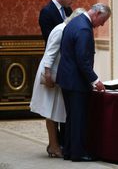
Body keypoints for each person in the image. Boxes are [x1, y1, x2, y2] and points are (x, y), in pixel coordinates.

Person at [56, 3, 111, 161]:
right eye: (103, 20)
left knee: (71, 117)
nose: (102, 24)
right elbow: (83, 61)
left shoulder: (75, 21)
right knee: (78, 118)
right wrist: (96, 80)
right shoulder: (84, 29)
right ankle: (78, 153)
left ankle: (68, 150)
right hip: (76, 82)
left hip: (66, 79)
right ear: (97, 13)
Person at [30, 8, 85, 158]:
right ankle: (54, 146)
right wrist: (47, 74)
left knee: (56, 111)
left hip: (58, 74)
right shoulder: (60, 30)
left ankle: (54, 144)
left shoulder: (67, 28)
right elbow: (50, 52)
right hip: (50, 73)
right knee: (50, 111)